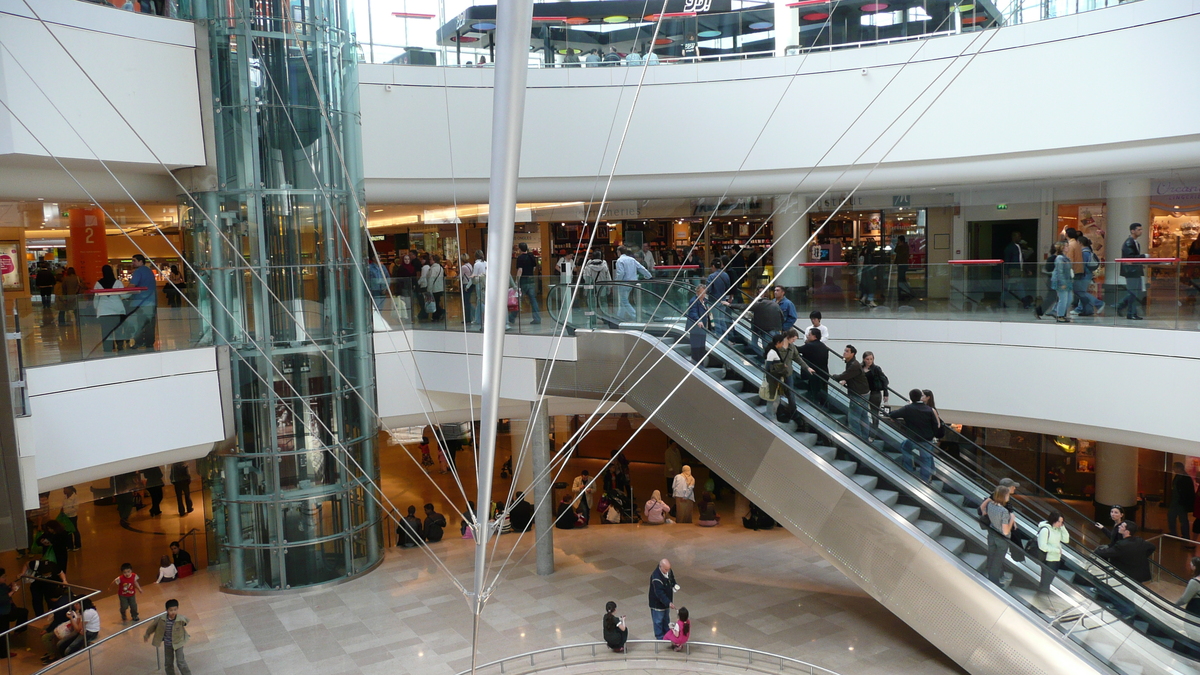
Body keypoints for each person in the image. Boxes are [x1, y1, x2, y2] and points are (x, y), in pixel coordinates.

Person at [886, 389, 940, 482]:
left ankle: (909, 469)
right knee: (926, 459)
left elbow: (893, 414)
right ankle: (925, 480)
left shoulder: (908, 408)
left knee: (904, 447)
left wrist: (893, 417)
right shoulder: (929, 409)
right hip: (927, 439)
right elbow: (935, 425)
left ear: (910, 397)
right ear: (920, 397)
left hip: (914, 438)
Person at [832, 345, 870, 439]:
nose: (844, 352)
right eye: (845, 350)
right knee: (863, 417)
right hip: (864, 393)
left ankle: (858, 440)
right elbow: (850, 376)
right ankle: (865, 438)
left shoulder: (854, 365)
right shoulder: (852, 363)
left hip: (858, 395)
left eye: (847, 351)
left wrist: (834, 376)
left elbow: (843, 376)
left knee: (853, 419)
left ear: (852, 354)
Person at [143, 599, 191, 675]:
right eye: (171, 610)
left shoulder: (180, 619)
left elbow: (186, 620)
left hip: (178, 643)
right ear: (166, 610)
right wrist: (147, 634)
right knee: (168, 663)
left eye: (175, 609)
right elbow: (152, 626)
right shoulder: (161, 619)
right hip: (168, 644)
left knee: (180, 662)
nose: (173, 612)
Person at [94, 265, 127, 353]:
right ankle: (120, 346)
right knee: (119, 330)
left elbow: (96, 298)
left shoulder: (98, 283)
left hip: (104, 311)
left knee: (106, 331)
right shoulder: (118, 282)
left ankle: (108, 348)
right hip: (117, 310)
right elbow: (123, 295)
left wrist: (96, 309)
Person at [1117, 223, 1148, 320]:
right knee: (1133, 292)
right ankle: (1126, 310)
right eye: (1139, 229)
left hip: (1135, 270)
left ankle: (1128, 310)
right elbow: (1130, 257)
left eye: (1141, 229)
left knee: (1135, 292)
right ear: (1132, 231)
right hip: (1131, 270)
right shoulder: (1129, 243)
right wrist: (1143, 257)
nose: (1141, 231)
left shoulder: (1135, 243)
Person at [984, 486, 1014, 585]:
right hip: (1001, 539)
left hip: (992, 534)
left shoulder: (990, 505)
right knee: (998, 561)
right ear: (1004, 496)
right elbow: (1005, 531)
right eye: (1008, 494)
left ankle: (990, 577)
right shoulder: (1004, 511)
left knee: (991, 556)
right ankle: (994, 581)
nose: (1009, 496)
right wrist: (1012, 519)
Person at [614, 245, 652, 322]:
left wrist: (617, 281)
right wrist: (649, 276)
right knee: (623, 300)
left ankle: (635, 315)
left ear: (619, 252)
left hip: (624, 282)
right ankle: (619, 316)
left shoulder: (620, 260)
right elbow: (641, 268)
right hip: (633, 282)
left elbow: (620, 273)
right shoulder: (632, 259)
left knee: (624, 300)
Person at [1035, 512, 1069, 595]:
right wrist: (1056, 550)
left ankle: (1042, 596)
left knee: (1048, 581)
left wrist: (1063, 527)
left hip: (1056, 559)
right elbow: (1042, 546)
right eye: (1058, 522)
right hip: (1048, 559)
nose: (1060, 524)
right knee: (1045, 582)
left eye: (1062, 522)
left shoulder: (1057, 529)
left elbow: (1066, 539)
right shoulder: (1045, 530)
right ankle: (1041, 597)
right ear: (1053, 520)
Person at [128, 254, 158, 350]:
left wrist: (124, 292)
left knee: (140, 324)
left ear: (141, 261)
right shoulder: (149, 271)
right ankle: (149, 342)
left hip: (140, 303)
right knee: (149, 324)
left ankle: (139, 342)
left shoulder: (138, 272)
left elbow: (132, 286)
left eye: (134, 261)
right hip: (151, 302)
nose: (132, 263)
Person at [509, 242, 541, 327]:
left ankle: (512, 317)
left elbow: (520, 270)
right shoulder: (531, 256)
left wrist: (516, 281)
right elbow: (534, 267)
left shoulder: (520, 258)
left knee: (518, 300)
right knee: (533, 300)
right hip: (531, 280)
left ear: (519, 249)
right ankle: (537, 318)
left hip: (523, 281)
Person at [796, 328, 830, 408]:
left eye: (809, 334)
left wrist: (787, 342)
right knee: (823, 394)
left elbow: (797, 350)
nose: (807, 336)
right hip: (824, 374)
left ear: (815, 337)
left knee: (814, 394)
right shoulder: (823, 346)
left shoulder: (810, 346)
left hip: (814, 375)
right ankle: (824, 407)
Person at [748, 288, 783, 360]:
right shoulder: (759, 302)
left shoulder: (771, 303)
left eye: (763, 292)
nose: (761, 293)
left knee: (768, 345)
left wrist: (783, 327)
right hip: (759, 326)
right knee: (758, 344)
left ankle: (768, 359)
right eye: (760, 292)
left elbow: (783, 316)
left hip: (768, 328)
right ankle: (764, 357)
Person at [647, 559, 677, 640]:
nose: (668, 571)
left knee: (666, 619)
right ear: (661, 567)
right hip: (657, 604)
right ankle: (660, 637)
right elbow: (659, 593)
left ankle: (667, 634)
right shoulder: (656, 577)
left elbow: (672, 579)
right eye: (666, 569)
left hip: (666, 602)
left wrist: (674, 585)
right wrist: (668, 602)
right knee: (658, 621)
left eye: (669, 569)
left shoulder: (668, 571)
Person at [1074, 235, 1103, 316]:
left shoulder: (1083, 253)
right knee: (1082, 292)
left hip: (1084, 275)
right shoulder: (1089, 252)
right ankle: (1088, 310)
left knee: (1081, 292)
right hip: (1088, 274)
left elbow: (1082, 265)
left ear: (1080, 243)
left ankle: (1098, 303)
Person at [862, 352, 889, 438]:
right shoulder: (860, 367)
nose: (869, 361)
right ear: (864, 359)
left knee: (874, 414)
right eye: (867, 359)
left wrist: (886, 393)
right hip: (863, 392)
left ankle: (873, 434)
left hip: (875, 393)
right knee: (863, 412)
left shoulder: (876, 369)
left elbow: (884, 380)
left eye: (871, 359)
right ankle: (865, 431)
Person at [1002, 231, 1028, 309]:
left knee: (1017, 286)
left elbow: (1021, 259)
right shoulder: (1010, 248)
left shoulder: (1019, 247)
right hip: (1012, 271)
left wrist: (1025, 269)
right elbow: (1007, 261)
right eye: (1018, 236)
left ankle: (1025, 301)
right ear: (1014, 237)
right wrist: (1006, 272)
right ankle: (1002, 301)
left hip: (1018, 270)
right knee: (1008, 287)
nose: (1020, 238)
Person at [705, 259, 732, 335]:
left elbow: (708, 289)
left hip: (714, 300)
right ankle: (725, 339)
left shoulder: (711, 276)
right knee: (722, 321)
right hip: (723, 299)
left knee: (716, 321)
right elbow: (728, 287)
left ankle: (719, 338)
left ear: (713, 266)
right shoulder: (725, 275)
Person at [1049, 241, 1074, 323]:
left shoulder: (1065, 258)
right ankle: (1060, 315)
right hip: (1061, 281)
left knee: (1069, 299)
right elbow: (1060, 272)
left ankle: (1062, 314)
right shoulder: (1059, 258)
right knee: (1063, 299)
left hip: (1067, 281)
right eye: (1066, 246)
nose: (1068, 247)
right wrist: (1062, 283)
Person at [1169, 462, 1195, 538]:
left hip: (1181, 502)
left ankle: (1185, 535)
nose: (1173, 469)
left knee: (1182, 519)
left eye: (1175, 468)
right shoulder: (1180, 476)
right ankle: (1176, 533)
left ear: (1179, 468)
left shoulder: (1184, 478)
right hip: (1177, 501)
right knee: (1173, 517)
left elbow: (1187, 491)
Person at [0, 568, 21, 656]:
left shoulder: (3, 585)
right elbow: (2, 599)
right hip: (2, 613)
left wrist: (11, 587)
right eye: (3, 576)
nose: (5, 578)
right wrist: (12, 591)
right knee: (3, 634)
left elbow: (7, 592)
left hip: (6, 611)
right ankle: (4, 653)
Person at [420, 253, 446, 322]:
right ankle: (436, 316)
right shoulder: (440, 268)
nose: (430, 260)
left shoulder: (433, 269)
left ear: (434, 260)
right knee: (437, 302)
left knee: (435, 303)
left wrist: (429, 289)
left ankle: (439, 313)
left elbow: (431, 279)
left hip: (434, 288)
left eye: (431, 259)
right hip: (439, 287)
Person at [471, 250, 487, 325]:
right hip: (485, 283)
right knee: (480, 301)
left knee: (480, 300)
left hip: (479, 283)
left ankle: (481, 318)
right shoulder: (486, 263)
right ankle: (477, 318)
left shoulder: (476, 264)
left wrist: (468, 285)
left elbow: (474, 275)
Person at [458, 254, 475, 324]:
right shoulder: (470, 265)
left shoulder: (463, 267)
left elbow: (460, 276)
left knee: (466, 302)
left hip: (466, 284)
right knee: (468, 301)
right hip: (470, 284)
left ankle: (467, 318)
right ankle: (470, 316)